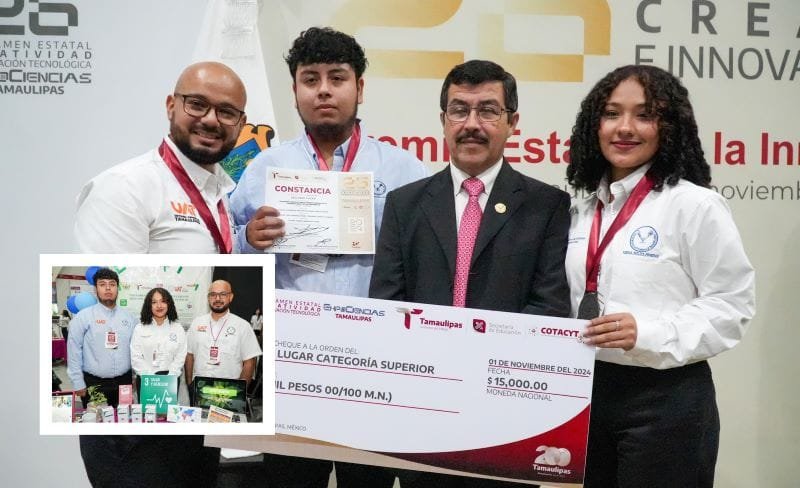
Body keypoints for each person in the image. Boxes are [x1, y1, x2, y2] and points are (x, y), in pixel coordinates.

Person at [228, 27, 428, 487]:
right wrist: (248, 238)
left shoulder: (404, 169)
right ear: (295, 91)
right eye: (310, 79)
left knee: (369, 483)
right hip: (293, 365)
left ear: (359, 88)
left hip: (376, 365)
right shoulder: (264, 168)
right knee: (291, 481)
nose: (323, 90)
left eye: (337, 78)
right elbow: (230, 251)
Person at [369, 60, 570, 487]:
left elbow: (549, 307)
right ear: (443, 120)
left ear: (513, 122)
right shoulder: (405, 204)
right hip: (424, 412)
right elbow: (387, 306)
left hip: (506, 414)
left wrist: (483, 372)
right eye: (459, 110)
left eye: (488, 111)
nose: (472, 124)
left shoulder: (546, 206)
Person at [565, 64, 756, 488]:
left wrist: (647, 333)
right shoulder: (581, 211)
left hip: (665, 401)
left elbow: (731, 305)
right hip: (585, 396)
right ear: (594, 125)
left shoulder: (695, 205)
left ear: (669, 127)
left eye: (645, 115)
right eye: (611, 113)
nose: (624, 127)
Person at [75, 61, 247, 253]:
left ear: (241, 124)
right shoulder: (123, 188)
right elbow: (109, 273)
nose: (211, 120)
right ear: (171, 106)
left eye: (226, 112)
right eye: (197, 105)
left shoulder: (219, 190)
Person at [67, 267, 136, 408]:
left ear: (117, 288)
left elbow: (135, 349)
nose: (108, 288)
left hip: (124, 382)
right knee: (96, 419)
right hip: (94, 383)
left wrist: (135, 377)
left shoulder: (130, 318)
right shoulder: (83, 317)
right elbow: (74, 349)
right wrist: (78, 382)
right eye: (102, 284)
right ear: (96, 289)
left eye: (112, 284)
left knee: (124, 417)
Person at [185, 280, 261, 397]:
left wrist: (238, 393)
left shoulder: (242, 326)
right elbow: (189, 355)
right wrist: (190, 384)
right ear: (208, 298)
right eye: (213, 294)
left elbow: (249, 362)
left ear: (231, 297)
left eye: (223, 294)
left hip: (229, 393)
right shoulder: (197, 323)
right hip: (200, 390)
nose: (217, 298)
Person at [130, 287, 187, 395]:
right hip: (146, 379)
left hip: (171, 380)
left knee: (167, 407)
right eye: (154, 302)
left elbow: (181, 355)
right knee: (147, 407)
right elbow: (135, 357)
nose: (159, 306)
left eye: (163, 301)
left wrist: (170, 377)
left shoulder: (178, 328)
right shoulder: (140, 328)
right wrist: (151, 379)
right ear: (149, 305)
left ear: (169, 304)